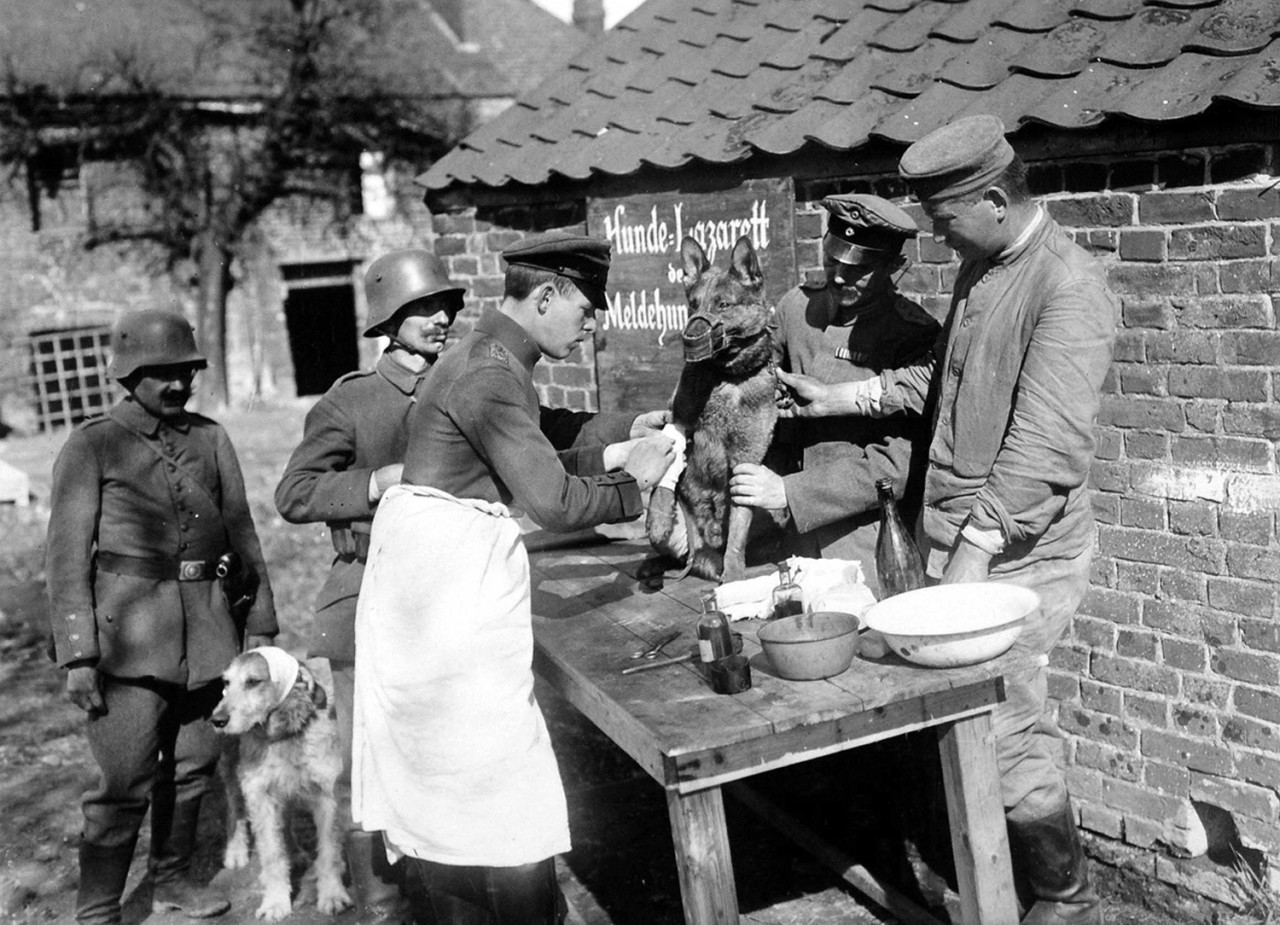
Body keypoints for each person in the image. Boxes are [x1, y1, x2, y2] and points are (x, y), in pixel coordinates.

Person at [779, 115, 1119, 924]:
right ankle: (981, 875)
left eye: (945, 220)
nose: (937, 237)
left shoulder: (1067, 288)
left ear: (996, 199)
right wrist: (841, 397)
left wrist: (970, 557)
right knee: (969, 722)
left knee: (1002, 724)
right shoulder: (985, 263)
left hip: (1020, 551)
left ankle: (1069, 896)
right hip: (969, 539)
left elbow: (1046, 444)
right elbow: (939, 377)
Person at [352, 232, 674, 925]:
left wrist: (613, 437)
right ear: (548, 294)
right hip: (443, 599)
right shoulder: (490, 372)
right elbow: (552, 500)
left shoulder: (487, 357)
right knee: (499, 791)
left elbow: (531, 441)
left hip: (436, 584)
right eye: (587, 308)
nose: (593, 324)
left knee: (460, 793)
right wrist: (635, 483)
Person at [45, 309, 278, 925]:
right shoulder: (93, 444)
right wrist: (79, 655)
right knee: (123, 781)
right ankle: (97, 909)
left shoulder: (211, 439)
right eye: (160, 375)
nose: (177, 385)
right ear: (128, 376)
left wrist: (261, 626)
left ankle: (173, 879)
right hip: (129, 639)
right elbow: (66, 558)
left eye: (186, 372)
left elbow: (243, 535)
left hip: (208, 631)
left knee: (196, 765)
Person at [274, 249, 464, 922]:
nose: (441, 318)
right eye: (424, 308)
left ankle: (450, 891)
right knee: (366, 756)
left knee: (448, 746)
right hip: (367, 585)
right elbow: (293, 493)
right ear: (391, 318)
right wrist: (371, 484)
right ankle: (383, 905)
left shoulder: (462, 383)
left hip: (448, 590)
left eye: (447, 307)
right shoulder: (352, 398)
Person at [728, 193, 939, 595]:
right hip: (787, 541)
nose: (839, 277)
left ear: (896, 268)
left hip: (862, 547)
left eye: (858, 270)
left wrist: (790, 493)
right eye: (831, 260)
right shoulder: (796, 308)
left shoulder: (911, 334)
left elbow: (896, 467)